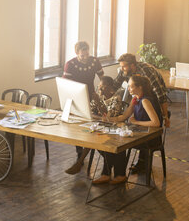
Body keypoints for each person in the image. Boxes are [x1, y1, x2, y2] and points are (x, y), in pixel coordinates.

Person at [98, 75, 162, 182]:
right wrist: (108, 119)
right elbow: (123, 117)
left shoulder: (145, 101)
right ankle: (108, 174)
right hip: (140, 134)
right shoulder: (135, 99)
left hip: (150, 138)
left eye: (131, 87)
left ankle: (117, 175)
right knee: (112, 141)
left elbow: (156, 123)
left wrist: (136, 122)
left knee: (120, 143)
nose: (128, 89)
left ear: (140, 87)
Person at [65, 76, 125, 176]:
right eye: (99, 86)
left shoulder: (116, 99)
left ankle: (79, 163)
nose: (99, 89)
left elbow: (109, 118)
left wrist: (98, 105)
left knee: (93, 138)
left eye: (102, 86)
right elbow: (89, 112)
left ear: (110, 88)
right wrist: (99, 116)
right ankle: (80, 163)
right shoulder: (99, 97)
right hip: (100, 127)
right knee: (90, 135)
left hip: (113, 130)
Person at [63, 41, 104, 171]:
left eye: (87, 54)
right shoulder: (70, 64)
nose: (85, 57)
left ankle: (90, 145)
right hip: (76, 96)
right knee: (77, 125)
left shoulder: (95, 61)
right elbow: (65, 84)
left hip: (91, 94)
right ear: (77, 54)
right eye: (82, 55)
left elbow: (102, 77)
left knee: (91, 121)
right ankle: (79, 152)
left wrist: (101, 89)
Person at [113, 53, 170, 127]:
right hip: (140, 96)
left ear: (132, 65)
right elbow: (114, 86)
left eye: (124, 66)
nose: (121, 69)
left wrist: (165, 117)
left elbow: (160, 95)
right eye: (121, 66)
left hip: (152, 97)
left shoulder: (147, 71)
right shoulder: (124, 71)